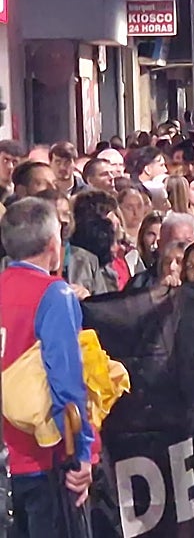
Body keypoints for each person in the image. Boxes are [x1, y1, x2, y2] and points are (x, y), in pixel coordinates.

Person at [0, 197, 95, 532]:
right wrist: (83, 454)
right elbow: (66, 381)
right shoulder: (55, 294)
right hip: (44, 463)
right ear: (54, 244)